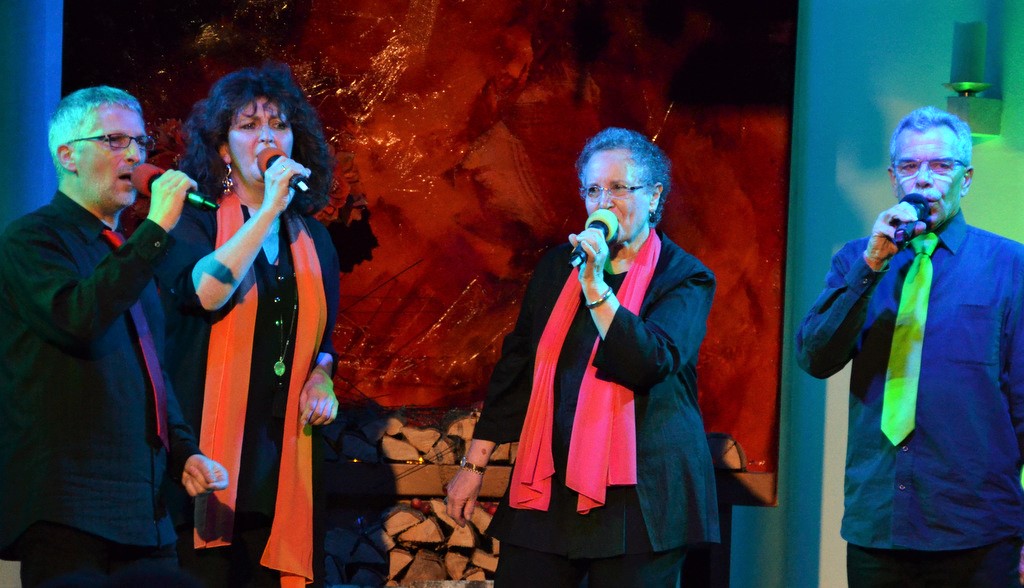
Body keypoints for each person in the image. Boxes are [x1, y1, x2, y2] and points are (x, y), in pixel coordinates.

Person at [445, 127, 719, 587]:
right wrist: (474, 465)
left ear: (654, 196)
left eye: (618, 187)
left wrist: (595, 287)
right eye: (593, 190)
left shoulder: (686, 277)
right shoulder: (559, 266)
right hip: (551, 481)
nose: (603, 202)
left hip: (643, 494)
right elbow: (518, 367)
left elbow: (648, 361)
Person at [0, 86, 229, 587]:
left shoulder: (126, 252)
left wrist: (184, 451)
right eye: (113, 140)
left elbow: (150, 368)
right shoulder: (33, 239)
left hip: (145, 512)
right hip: (69, 508)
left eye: (140, 142)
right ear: (68, 156)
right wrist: (157, 226)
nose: (134, 155)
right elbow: (78, 318)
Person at [796, 106, 1024, 587]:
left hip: (978, 531)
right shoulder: (857, 260)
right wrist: (870, 266)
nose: (923, 178)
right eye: (909, 165)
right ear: (893, 178)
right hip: (880, 525)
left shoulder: (1010, 266)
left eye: (940, 165)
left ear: (965, 179)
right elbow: (815, 357)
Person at [156, 62, 340, 587]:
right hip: (206, 458)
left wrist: (323, 376)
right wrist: (266, 212)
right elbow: (206, 293)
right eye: (248, 125)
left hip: (282, 458)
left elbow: (324, 342)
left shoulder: (313, 238)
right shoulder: (194, 220)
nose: (267, 137)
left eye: (278, 124)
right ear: (223, 148)